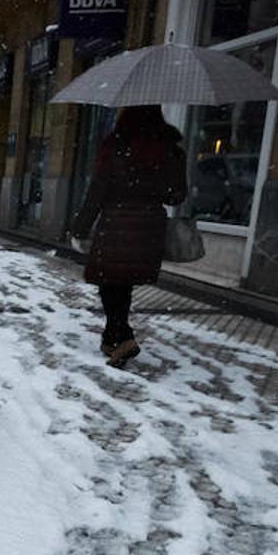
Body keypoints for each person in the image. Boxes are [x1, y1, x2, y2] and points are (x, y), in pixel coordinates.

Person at [67, 105, 187, 367]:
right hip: (149, 227)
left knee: (111, 281)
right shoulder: (170, 149)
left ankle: (124, 337)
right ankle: (112, 338)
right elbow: (177, 194)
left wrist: (80, 227)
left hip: (117, 222)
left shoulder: (115, 145)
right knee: (124, 281)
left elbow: (97, 190)